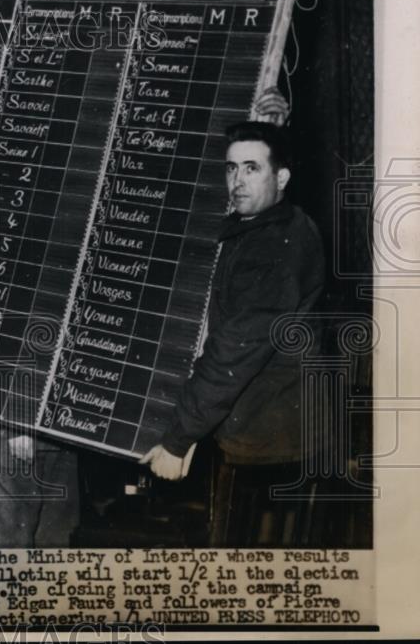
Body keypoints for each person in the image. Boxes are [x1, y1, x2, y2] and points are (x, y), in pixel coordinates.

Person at [141, 120, 325, 544]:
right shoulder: (265, 227)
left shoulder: (274, 245)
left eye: (251, 168)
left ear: (281, 177)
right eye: (231, 169)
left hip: (272, 443)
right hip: (263, 429)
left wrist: (178, 438)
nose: (237, 181)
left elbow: (234, 351)